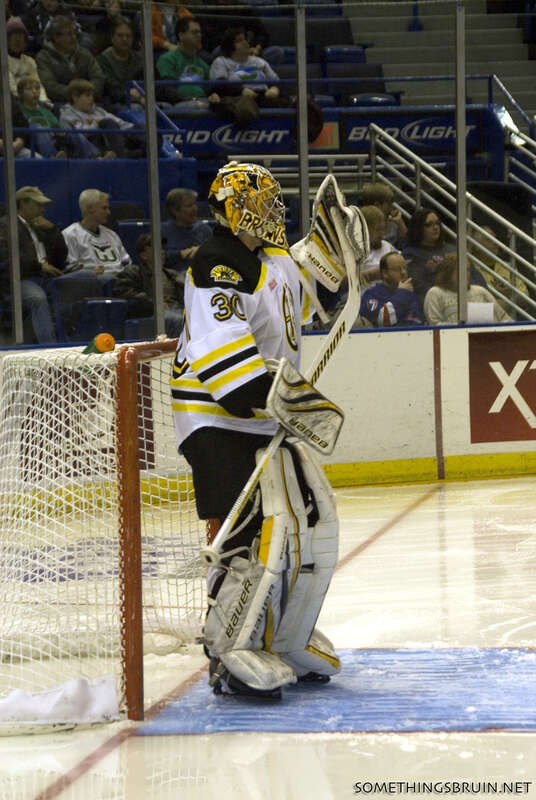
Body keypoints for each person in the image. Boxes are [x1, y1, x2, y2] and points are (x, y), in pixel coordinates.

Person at [171, 161, 340, 698]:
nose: (276, 214)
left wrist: (341, 252)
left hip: (263, 416)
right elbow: (232, 378)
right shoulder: (217, 266)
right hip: (217, 419)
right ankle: (227, 651)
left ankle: (281, 633)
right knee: (242, 536)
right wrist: (290, 405)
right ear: (238, 209)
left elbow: (320, 291)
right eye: (266, 204)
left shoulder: (272, 259)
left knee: (301, 522)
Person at [0, 185, 67, 343]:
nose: (42, 210)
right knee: (37, 298)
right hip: (19, 281)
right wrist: (39, 266)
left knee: (85, 278)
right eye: (38, 205)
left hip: (46, 278)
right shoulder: (5, 225)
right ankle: (50, 349)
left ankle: (77, 338)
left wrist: (52, 230)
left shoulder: (40, 227)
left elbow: (60, 258)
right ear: (23, 203)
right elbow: (8, 258)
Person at [402, 208, 486, 310]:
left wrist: (472, 293)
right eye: (429, 225)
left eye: (437, 223)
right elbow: (418, 286)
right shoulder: (411, 254)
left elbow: (476, 275)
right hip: (438, 303)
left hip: (468, 300)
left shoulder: (453, 249)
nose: (435, 227)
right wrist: (449, 295)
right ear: (418, 228)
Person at [209, 26, 287, 125]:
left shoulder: (259, 62)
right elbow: (219, 85)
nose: (245, 43)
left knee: (298, 104)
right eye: (239, 41)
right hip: (239, 98)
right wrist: (241, 90)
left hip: (263, 97)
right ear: (230, 46)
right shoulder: (222, 62)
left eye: (245, 39)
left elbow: (276, 81)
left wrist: (275, 88)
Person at [112, 232, 184, 337]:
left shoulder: (172, 274)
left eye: (163, 249)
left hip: (177, 309)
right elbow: (125, 293)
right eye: (156, 248)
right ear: (144, 255)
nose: (162, 252)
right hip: (153, 313)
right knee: (180, 320)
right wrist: (155, 303)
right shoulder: (133, 272)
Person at [59, 78, 142, 158]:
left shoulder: (98, 111)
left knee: (140, 128)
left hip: (118, 141)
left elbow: (120, 122)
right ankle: (122, 156)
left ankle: (151, 152)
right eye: (87, 95)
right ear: (75, 97)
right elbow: (82, 134)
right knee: (107, 122)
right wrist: (97, 123)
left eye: (92, 95)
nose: (92, 99)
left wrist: (134, 128)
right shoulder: (67, 115)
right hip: (95, 145)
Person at [423, 252, 511, 325]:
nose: (466, 273)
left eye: (468, 270)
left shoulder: (480, 291)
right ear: (447, 272)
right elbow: (434, 325)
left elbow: (505, 319)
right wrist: (462, 328)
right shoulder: (435, 293)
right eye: (460, 269)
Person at [62, 189, 132, 279]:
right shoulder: (70, 235)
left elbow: (126, 262)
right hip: (94, 284)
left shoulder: (111, 235)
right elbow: (70, 270)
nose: (108, 212)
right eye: (104, 208)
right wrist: (90, 273)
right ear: (90, 208)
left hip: (120, 280)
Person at [35, 15, 105, 103]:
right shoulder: (44, 57)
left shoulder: (84, 53)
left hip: (90, 100)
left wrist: (86, 94)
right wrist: (77, 95)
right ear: (56, 38)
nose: (74, 37)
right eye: (69, 34)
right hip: (61, 104)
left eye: (74, 33)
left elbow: (98, 77)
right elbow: (49, 86)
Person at [156, 17, 220, 109]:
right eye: (194, 32)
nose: (199, 35)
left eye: (200, 32)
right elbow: (168, 91)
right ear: (181, 35)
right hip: (180, 103)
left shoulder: (203, 64)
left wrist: (213, 96)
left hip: (201, 102)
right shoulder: (167, 59)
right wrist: (192, 100)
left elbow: (208, 90)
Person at [472, 226, 531, 317]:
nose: (495, 243)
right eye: (488, 239)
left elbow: (525, 297)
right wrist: (511, 299)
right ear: (476, 246)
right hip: (482, 322)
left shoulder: (508, 266)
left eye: (495, 239)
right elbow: (478, 310)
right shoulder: (468, 268)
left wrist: (508, 294)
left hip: (510, 319)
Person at [359, 251, 423, 328]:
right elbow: (383, 320)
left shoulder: (409, 293)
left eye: (405, 268)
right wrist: (402, 293)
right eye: (397, 269)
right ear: (385, 273)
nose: (403, 272)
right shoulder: (370, 295)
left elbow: (417, 323)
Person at [97, 16, 144, 110]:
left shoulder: (140, 58)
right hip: (114, 102)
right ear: (112, 38)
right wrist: (131, 94)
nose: (124, 39)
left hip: (141, 98)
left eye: (128, 36)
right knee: (136, 108)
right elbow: (112, 90)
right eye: (120, 35)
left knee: (165, 107)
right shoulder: (102, 60)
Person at [162, 188, 213, 273]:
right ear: (174, 210)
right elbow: (157, 259)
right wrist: (181, 254)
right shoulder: (163, 231)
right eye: (189, 206)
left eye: (195, 204)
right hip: (172, 280)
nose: (195, 209)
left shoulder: (204, 230)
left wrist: (203, 251)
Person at [17, 76, 68, 158]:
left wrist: (57, 132)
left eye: (37, 88)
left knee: (74, 133)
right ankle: (52, 157)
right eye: (29, 89)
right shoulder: (18, 112)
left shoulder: (46, 111)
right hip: (31, 144)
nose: (34, 92)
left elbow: (58, 130)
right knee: (37, 128)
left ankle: (93, 156)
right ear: (21, 93)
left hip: (53, 140)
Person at [7, 16, 51, 105]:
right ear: (6, 40)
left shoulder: (30, 61)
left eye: (20, 36)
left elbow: (38, 84)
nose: (18, 40)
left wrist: (44, 101)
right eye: (14, 36)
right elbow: (11, 87)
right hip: (16, 102)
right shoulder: (4, 61)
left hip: (35, 101)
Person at [359, 205, 398, 289]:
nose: (382, 234)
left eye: (383, 229)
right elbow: (341, 284)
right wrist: (371, 275)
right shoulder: (350, 251)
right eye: (378, 230)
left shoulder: (387, 246)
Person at [361, 182, 407, 250]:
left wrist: (400, 224)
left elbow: (405, 245)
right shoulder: (360, 223)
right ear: (377, 205)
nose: (391, 208)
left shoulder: (392, 222)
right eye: (389, 204)